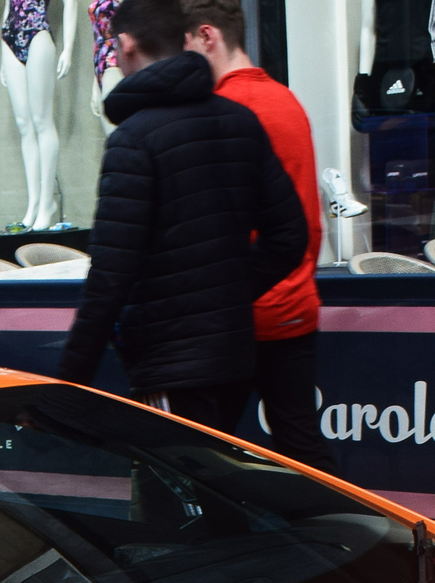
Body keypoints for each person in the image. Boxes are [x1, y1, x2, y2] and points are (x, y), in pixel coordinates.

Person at [56, 0, 306, 431]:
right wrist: (225, 296)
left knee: (170, 491)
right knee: (211, 488)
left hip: (169, 360)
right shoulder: (241, 121)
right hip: (232, 353)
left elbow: (110, 276)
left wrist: (65, 387)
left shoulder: (134, 139)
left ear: (126, 45)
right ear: (185, 40)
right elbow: (289, 236)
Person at [182, 0, 335, 473]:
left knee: (202, 454)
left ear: (208, 36)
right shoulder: (286, 100)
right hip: (292, 304)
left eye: (186, 47)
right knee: (301, 445)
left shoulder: (223, 110)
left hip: (239, 314)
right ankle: (341, 537)